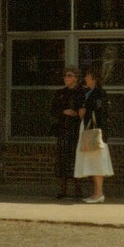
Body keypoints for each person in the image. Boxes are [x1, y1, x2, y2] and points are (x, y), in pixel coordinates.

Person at [75, 67, 113, 203]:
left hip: (96, 133)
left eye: (88, 76)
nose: (85, 78)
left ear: (94, 79)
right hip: (90, 131)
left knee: (97, 162)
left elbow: (101, 112)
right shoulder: (89, 93)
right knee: (92, 162)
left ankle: (99, 194)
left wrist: (86, 111)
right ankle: (96, 193)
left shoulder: (99, 93)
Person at [50, 66, 87, 199]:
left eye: (70, 76)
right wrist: (63, 111)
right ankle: (63, 189)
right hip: (63, 129)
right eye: (65, 76)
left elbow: (87, 109)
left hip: (77, 130)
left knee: (76, 159)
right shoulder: (60, 93)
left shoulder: (82, 93)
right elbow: (53, 110)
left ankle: (78, 189)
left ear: (76, 78)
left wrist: (79, 113)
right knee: (62, 160)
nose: (66, 78)